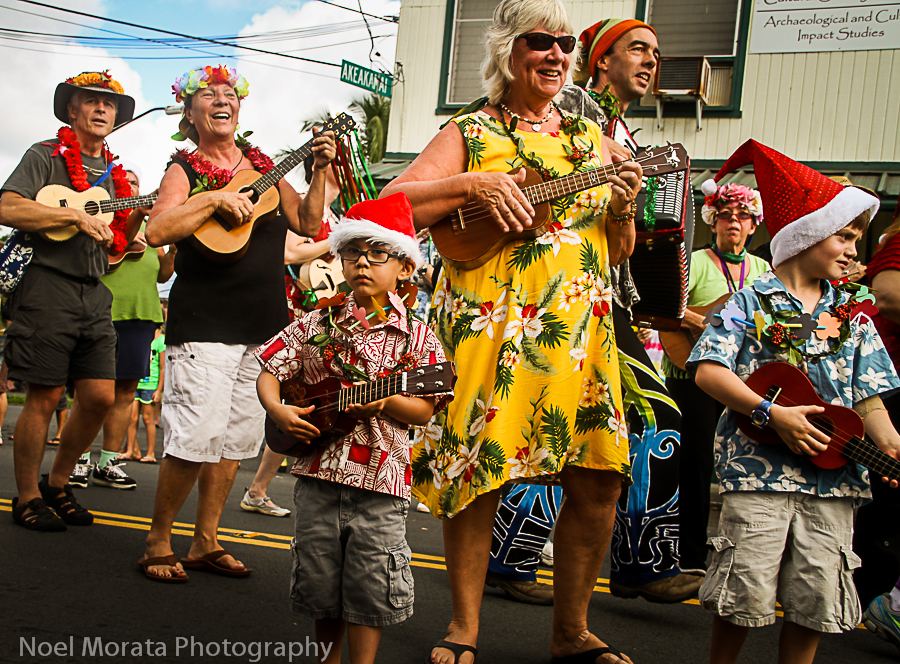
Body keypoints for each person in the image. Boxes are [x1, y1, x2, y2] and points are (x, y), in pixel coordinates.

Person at [382, 1, 643, 661]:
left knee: (599, 475)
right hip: (490, 326)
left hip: (580, 331)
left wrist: (625, 207)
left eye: (564, 45)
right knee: (482, 473)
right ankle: (463, 628)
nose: (556, 55)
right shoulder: (470, 128)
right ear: (508, 48)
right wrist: (475, 181)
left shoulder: (593, 139)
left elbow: (617, 251)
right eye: (540, 42)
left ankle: (571, 632)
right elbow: (389, 203)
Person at [687, 139, 899, 664]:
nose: (855, 250)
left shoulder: (854, 314)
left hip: (835, 483)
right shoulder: (751, 299)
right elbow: (708, 369)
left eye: (858, 238)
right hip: (757, 476)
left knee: (815, 594)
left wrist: (889, 438)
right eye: (845, 236)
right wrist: (770, 413)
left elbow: (869, 396)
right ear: (807, 235)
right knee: (743, 590)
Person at [137, 65, 336, 581]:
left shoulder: (265, 167)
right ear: (189, 112)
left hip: (263, 323)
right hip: (205, 322)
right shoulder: (184, 168)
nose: (222, 101)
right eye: (209, 95)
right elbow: (158, 229)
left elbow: (310, 224)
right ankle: (159, 540)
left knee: (234, 442)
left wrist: (318, 171)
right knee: (194, 437)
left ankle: (205, 540)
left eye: (230, 94)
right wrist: (210, 199)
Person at [255, 193, 452, 664]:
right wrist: (279, 410)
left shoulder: (419, 337)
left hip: (379, 485)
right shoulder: (317, 321)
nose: (363, 262)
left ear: (405, 268)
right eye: (353, 251)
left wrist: (386, 400)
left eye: (378, 252)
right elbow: (269, 368)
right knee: (322, 583)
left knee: (370, 587)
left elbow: (424, 410)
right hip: (317, 476)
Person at [553, 16, 702, 603]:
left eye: (657, 53)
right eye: (638, 49)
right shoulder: (570, 107)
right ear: (601, 60)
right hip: (563, 293)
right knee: (572, 425)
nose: (651, 61)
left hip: (609, 301)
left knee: (630, 422)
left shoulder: (627, 135)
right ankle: (515, 562)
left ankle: (641, 561)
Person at [0, 71, 144, 531]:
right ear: (72, 111)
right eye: (92, 102)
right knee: (44, 395)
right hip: (46, 284)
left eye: (110, 105)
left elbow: (118, 247)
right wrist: (73, 217)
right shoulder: (45, 155)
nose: (103, 110)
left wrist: (136, 220)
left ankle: (56, 483)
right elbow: (7, 206)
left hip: (93, 289)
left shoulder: (120, 178)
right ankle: (26, 497)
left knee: (101, 396)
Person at [662, 182, 770, 576]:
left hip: (741, 379)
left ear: (754, 226)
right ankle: (689, 557)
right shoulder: (695, 261)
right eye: (726, 217)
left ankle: (744, 555)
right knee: (695, 466)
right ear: (714, 221)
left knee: (742, 465)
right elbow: (661, 308)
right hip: (691, 376)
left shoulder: (762, 271)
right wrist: (700, 321)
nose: (734, 224)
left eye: (743, 217)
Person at [241, 151, 344, 518]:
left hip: (324, 316)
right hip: (299, 316)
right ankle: (257, 489)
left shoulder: (336, 217)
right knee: (299, 405)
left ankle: (259, 489)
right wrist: (334, 244)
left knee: (312, 405)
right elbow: (289, 252)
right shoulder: (302, 209)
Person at [68, 161, 171, 489]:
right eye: (124, 182)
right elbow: (110, 257)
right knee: (89, 390)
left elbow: (164, 274)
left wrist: (177, 246)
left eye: (135, 182)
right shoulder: (103, 221)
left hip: (141, 316)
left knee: (126, 392)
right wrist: (136, 216)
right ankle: (79, 458)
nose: (131, 186)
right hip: (103, 314)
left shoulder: (154, 230)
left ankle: (108, 460)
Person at [858, 195, 900, 648]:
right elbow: (887, 296)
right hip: (892, 379)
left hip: (881, 397)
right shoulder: (897, 246)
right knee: (882, 503)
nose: (853, 251)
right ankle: (878, 597)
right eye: (844, 237)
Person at [125, 326, 165, 464]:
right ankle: (130, 450)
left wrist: (159, 389)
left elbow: (162, 367)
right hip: (136, 382)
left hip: (150, 385)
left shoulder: (160, 341)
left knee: (148, 419)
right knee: (131, 418)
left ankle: (150, 453)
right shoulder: (140, 337)